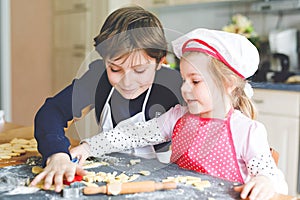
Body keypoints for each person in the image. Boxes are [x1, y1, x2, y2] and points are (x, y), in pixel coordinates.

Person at [74, 28, 288, 200]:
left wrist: (265, 183)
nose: (185, 89)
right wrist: (89, 146)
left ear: (227, 84)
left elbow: (272, 178)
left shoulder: (246, 131)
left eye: (195, 81)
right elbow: (132, 134)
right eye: (184, 80)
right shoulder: (177, 117)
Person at [30, 6, 183, 192]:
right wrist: (57, 153)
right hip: (106, 180)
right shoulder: (97, 79)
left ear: (160, 61)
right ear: (104, 61)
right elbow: (52, 111)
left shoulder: (178, 86)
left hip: (164, 186)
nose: (127, 82)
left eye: (140, 70)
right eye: (115, 69)